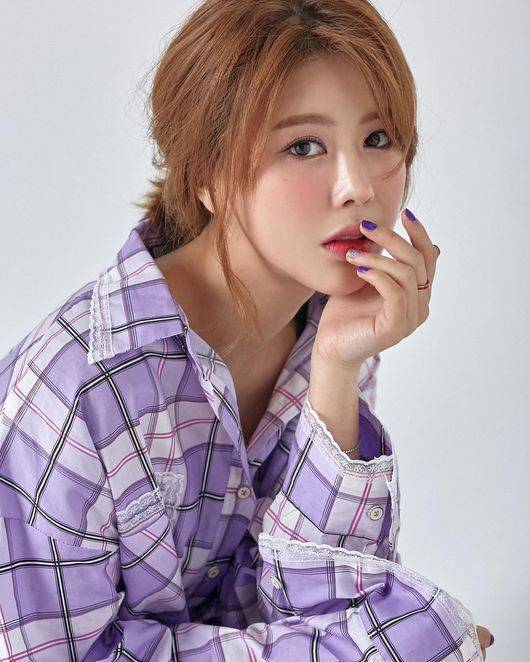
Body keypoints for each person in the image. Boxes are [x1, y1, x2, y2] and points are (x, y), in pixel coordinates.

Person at [0, 1, 494, 659]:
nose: (356, 187)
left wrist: (337, 371)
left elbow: (323, 610)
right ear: (207, 174)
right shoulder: (76, 390)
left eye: (378, 139)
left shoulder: (328, 329)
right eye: (304, 146)